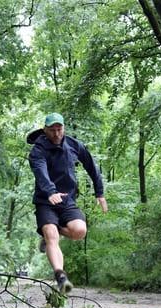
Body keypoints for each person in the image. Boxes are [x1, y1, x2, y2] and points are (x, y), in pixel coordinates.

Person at [27, 112, 108, 293]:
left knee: (79, 231)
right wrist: (50, 191)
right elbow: (40, 172)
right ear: (45, 130)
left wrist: (99, 193)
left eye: (59, 129)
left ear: (63, 128)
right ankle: (61, 278)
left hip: (67, 199)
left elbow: (91, 165)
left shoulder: (73, 145)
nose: (56, 134)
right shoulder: (38, 150)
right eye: (52, 130)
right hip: (45, 200)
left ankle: (50, 235)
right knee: (51, 234)